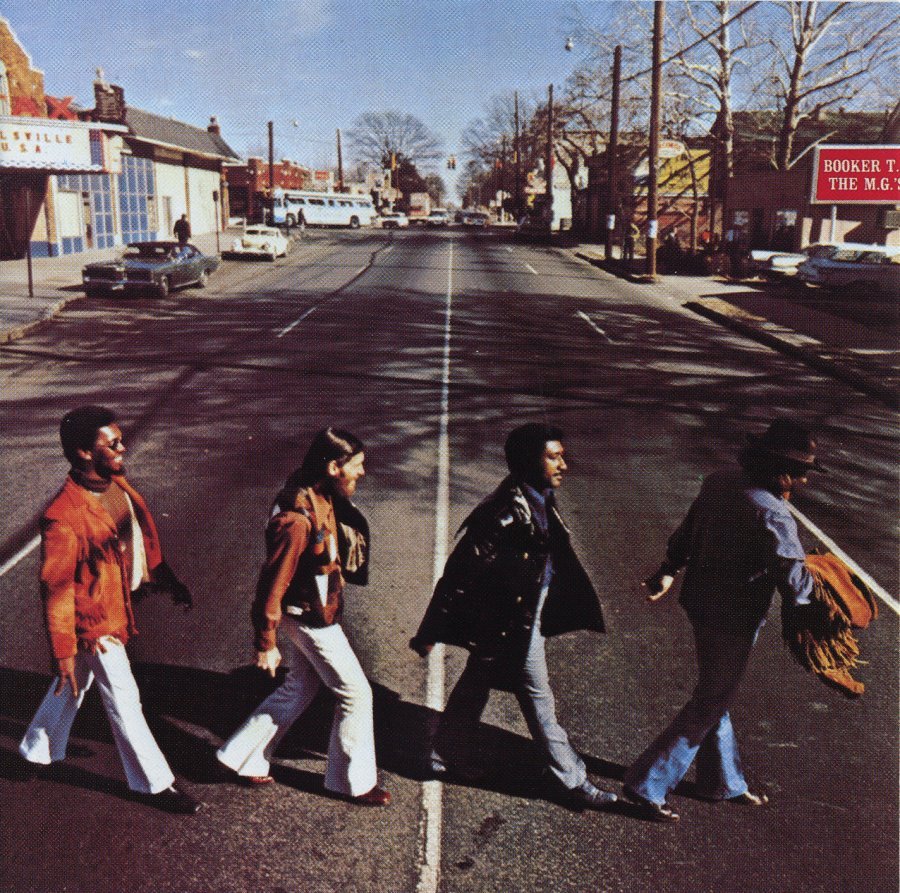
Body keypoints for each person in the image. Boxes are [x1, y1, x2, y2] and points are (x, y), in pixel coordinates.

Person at [621, 420, 826, 822]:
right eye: (800, 472)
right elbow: (794, 579)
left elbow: (688, 529)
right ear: (780, 471)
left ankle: (722, 781)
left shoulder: (720, 482)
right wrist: (818, 599)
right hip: (734, 617)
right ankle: (647, 783)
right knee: (713, 697)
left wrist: (668, 568)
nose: (803, 480)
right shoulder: (773, 513)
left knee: (716, 690)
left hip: (700, 603)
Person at [410, 423, 616, 809]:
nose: (564, 465)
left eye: (562, 456)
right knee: (539, 701)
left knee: (475, 684)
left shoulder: (538, 499)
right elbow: (458, 573)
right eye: (553, 457)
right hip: (512, 624)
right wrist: (430, 630)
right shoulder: (503, 513)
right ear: (528, 461)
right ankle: (572, 780)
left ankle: (442, 753)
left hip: (516, 616)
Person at [19, 406, 200, 814]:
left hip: (115, 604)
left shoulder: (115, 485)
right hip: (94, 620)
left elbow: (140, 536)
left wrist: (167, 578)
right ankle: (153, 783)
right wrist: (63, 650)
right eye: (113, 444)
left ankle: (35, 750)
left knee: (74, 685)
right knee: (124, 697)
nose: (123, 448)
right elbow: (56, 588)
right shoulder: (63, 516)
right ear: (85, 452)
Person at [217, 428, 391, 806]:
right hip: (308, 617)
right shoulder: (296, 520)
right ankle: (351, 782)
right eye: (357, 466)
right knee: (356, 693)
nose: (362, 472)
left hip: (314, 610)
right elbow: (271, 585)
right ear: (333, 467)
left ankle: (240, 757)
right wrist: (266, 642)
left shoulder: (319, 494)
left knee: (301, 686)